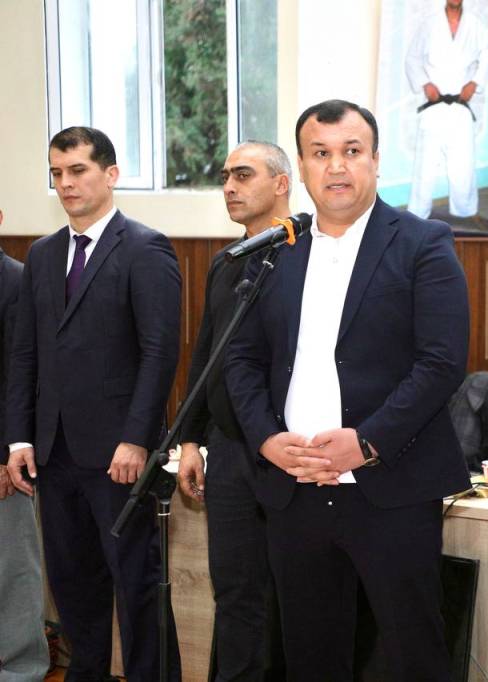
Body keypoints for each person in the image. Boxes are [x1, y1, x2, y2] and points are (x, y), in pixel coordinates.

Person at [223, 99, 470, 681]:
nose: (336, 166)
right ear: (302, 168)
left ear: (376, 161)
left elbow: (441, 362)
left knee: (413, 657)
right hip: (295, 490)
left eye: (351, 151)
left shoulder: (423, 243)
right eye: (321, 154)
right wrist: (267, 440)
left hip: (391, 489)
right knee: (311, 657)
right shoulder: (274, 252)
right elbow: (239, 358)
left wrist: (367, 442)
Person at [5, 127, 183, 681]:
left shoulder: (145, 248)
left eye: (78, 170)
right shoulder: (42, 254)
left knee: (136, 584)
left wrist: (137, 438)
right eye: (57, 173)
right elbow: (26, 354)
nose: (66, 183)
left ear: (110, 174)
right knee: (73, 586)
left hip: (118, 455)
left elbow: (160, 354)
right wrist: (19, 438)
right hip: (54, 453)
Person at [176, 141, 291, 681]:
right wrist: (191, 440)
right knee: (235, 587)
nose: (228, 187)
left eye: (243, 175)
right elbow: (207, 355)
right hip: (228, 449)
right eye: (225, 176)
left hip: (289, 448)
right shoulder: (228, 262)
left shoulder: (306, 256)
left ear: (281, 183)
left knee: (289, 591)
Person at [0, 208, 50, 682]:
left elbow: (20, 377)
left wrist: (5, 454)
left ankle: (19, 670)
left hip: (3, 461)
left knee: (12, 569)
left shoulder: (16, 281)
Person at [404, 0, 488, 219]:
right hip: (434, 106)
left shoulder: (474, 25)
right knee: (425, 166)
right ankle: (417, 213)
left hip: (460, 106)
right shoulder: (430, 24)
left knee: (463, 165)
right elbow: (412, 57)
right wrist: (425, 84)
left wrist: (475, 83)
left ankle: (465, 211)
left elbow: (486, 55)